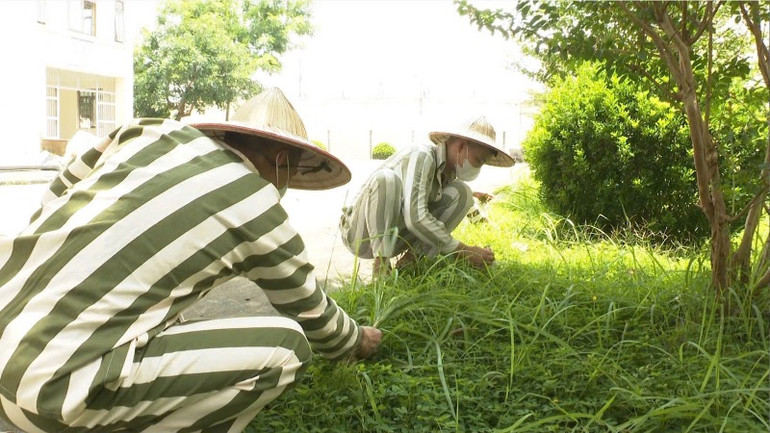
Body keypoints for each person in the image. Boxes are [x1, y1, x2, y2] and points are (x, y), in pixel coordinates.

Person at [0, 88, 381, 432]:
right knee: (289, 347)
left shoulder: (149, 132)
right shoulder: (256, 200)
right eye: (292, 172)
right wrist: (359, 339)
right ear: (282, 160)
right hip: (48, 398)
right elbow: (313, 314)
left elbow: (58, 191)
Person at [339, 116, 516, 275]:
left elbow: (458, 205)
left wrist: (480, 217)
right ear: (461, 146)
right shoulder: (421, 155)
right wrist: (464, 251)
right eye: (478, 161)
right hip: (360, 235)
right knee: (387, 179)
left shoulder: (449, 175)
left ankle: (410, 264)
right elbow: (415, 216)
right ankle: (382, 268)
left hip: (395, 236)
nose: (477, 168)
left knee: (463, 194)